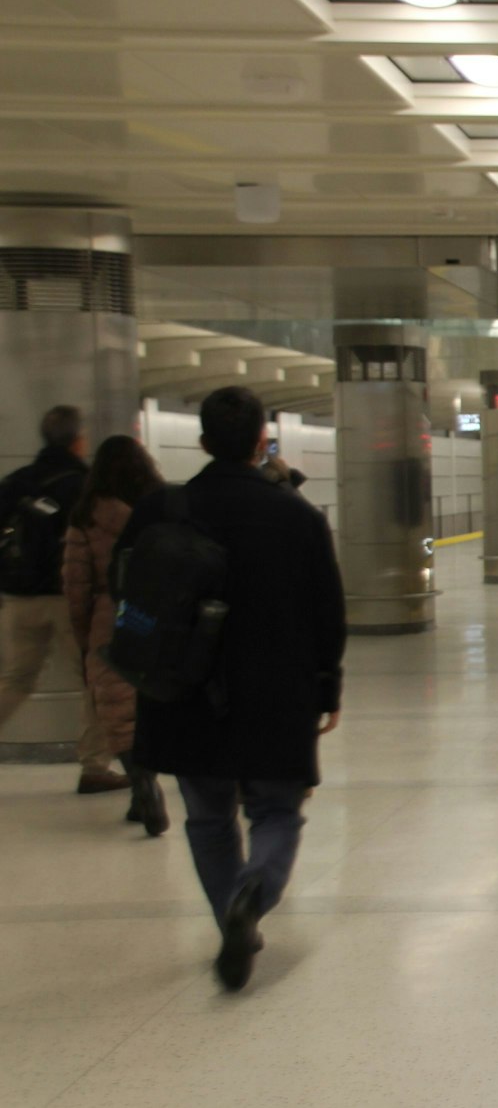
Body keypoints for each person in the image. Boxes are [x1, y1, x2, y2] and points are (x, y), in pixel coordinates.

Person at [121, 386, 346, 991]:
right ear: (259, 443)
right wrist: (328, 689)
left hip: (184, 690)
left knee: (207, 818)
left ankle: (230, 918)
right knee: (276, 810)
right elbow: (328, 612)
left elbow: (131, 596)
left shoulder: (162, 511)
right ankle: (255, 890)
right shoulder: (296, 516)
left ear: (201, 443)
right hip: (275, 692)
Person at [0, 406, 121, 794]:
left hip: (19, 599)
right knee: (93, 680)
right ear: (78, 440)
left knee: (16, 679)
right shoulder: (84, 485)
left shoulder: (17, 482)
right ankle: (94, 765)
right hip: (67, 600)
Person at [62, 435, 169, 834]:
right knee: (154, 702)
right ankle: (149, 782)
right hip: (158, 612)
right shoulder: (160, 505)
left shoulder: (87, 515)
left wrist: (83, 634)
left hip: (112, 614)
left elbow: (76, 583)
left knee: (117, 708)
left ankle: (142, 786)